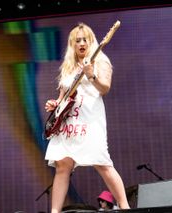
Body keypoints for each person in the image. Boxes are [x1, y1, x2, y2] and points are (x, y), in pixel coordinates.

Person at [44, 23, 130, 213]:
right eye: (77, 40)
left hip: (89, 121)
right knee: (62, 166)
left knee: (102, 164)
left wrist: (91, 75)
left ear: (91, 41)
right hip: (67, 125)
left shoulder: (100, 61)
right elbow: (61, 98)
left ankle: (125, 207)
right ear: (72, 44)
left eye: (85, 39)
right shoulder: (68, 67)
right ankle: (55, 212)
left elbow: (105, 88)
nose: (82, 43)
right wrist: (54, 104)